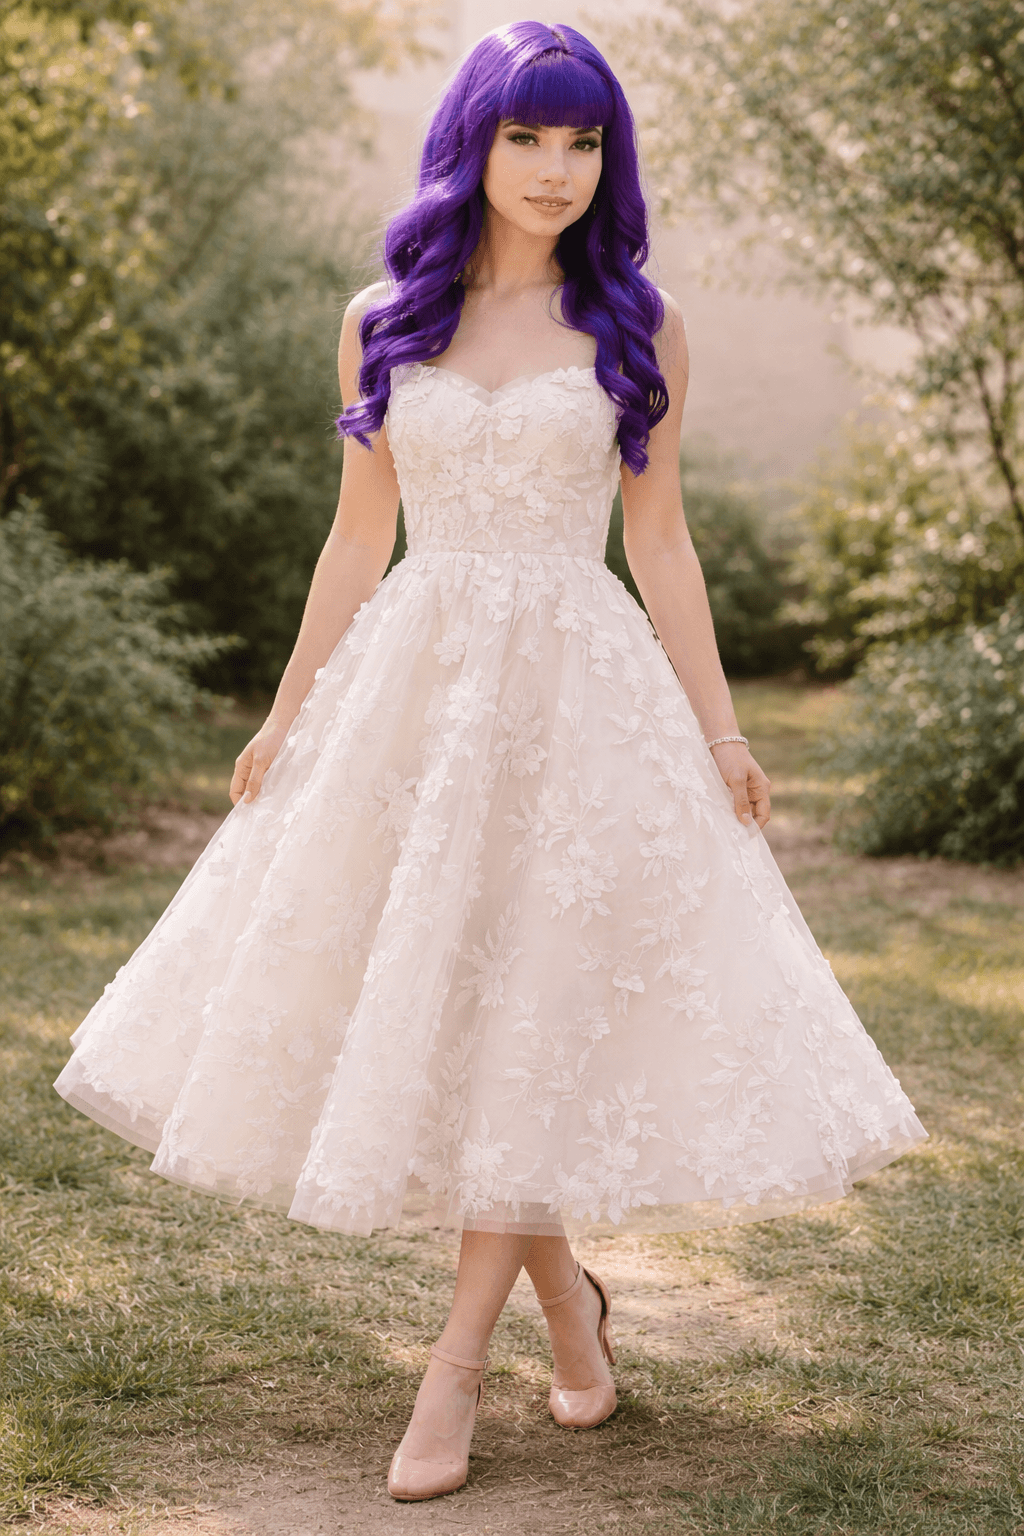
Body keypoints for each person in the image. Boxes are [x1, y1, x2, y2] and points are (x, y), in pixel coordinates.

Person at [54, 21, 927, 1504]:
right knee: (471, 1009)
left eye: (585, 141)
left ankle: (452, 1370)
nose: (556, 168)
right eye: (529, 135)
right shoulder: (385, 317)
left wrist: (722, 729)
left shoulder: (639, 323)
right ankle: (569, 1307)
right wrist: (286, 711)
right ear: (476, 140)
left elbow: (661, 542)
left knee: (530, 1003)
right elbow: (357, 537)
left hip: (581, 698)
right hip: (421, 691)